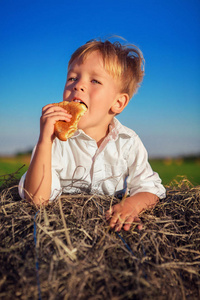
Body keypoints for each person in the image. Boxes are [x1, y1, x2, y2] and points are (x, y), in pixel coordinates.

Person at [18, 38, 166, 232]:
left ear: (118, 103)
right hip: (65, 232)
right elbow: (37, 200)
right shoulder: (54, 142)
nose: (78, 86)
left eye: (95, 80)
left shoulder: (128, 142)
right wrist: (45, 140)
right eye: (72, 78)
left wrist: (132, 205)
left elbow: (151, 188)